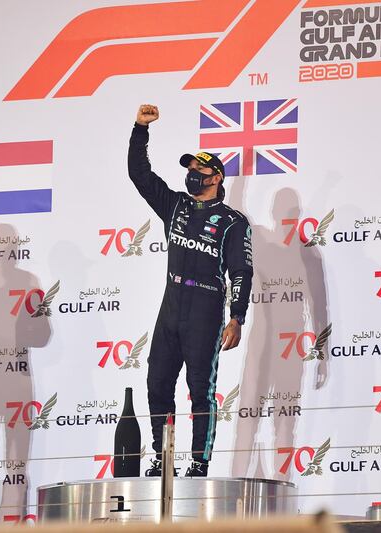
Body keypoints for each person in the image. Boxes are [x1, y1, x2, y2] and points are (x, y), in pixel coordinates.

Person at [129, 104, 253, 477]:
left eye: (198, 170)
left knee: (200, 389)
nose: (192, 175)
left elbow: (242, 271)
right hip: (171, 305)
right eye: (189, 170)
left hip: (205, 308)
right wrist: (140, 129)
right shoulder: (177, 206)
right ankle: (162, 457)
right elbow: (140, 174)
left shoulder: (233, 221)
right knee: (157, 384)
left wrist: (237, 317)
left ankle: (199, 463)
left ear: (215, 177)